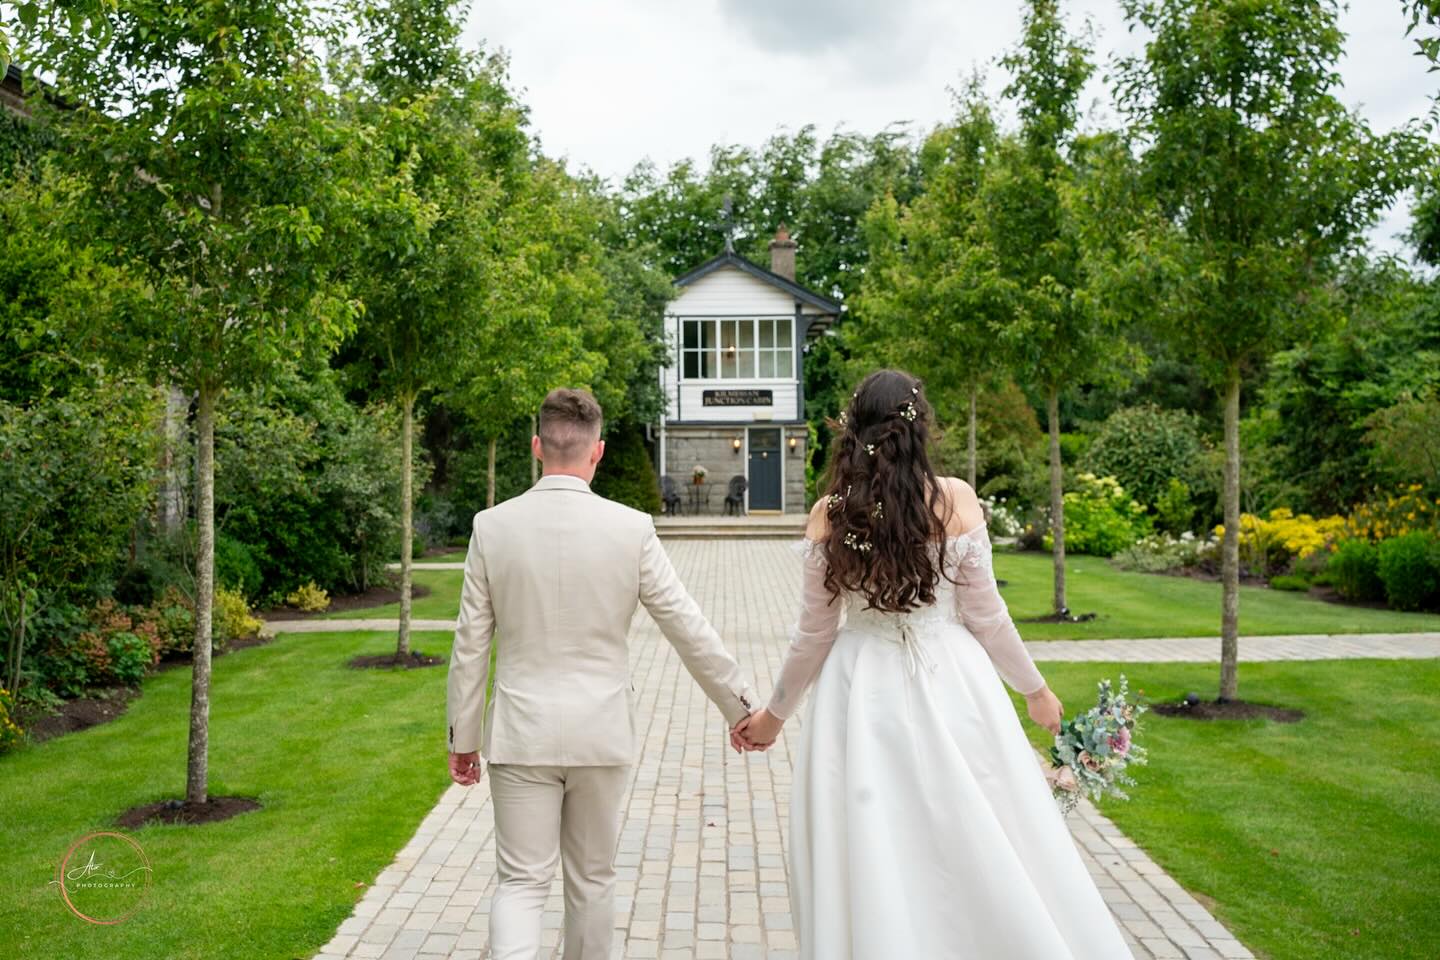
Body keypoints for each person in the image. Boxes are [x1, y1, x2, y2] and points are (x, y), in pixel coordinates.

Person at [733, 369, 1133, 959]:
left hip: (860, 690)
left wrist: (774, 715)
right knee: (978, 826)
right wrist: (1034, 690)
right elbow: (987, 617)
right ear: (921, 428)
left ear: (854, 430)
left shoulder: (830, 513)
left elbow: (814, 635)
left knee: (875, 838)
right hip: (954, 679)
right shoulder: (955, 501)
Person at [446, 387, 758, 960]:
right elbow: (686, 624)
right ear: (599, 451)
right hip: (601, 732)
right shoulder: (630, 528)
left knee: (520, 882)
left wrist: (462, 739)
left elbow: (471, 644)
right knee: (592, 880)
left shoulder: (492, 526)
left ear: (538, 446)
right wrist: (741, 707)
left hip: (522, 733)